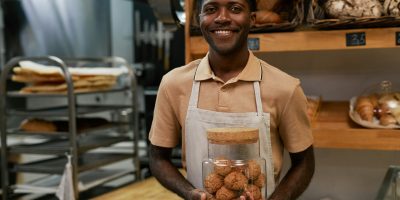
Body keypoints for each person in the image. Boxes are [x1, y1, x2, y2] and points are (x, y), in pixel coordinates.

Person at [148, 0, 315, 199]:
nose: (222, 18)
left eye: (235, 9)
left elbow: (304, 162)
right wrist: (189, 193)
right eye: (211, 9)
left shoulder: (285, 88)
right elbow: (158, 158)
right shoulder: (173, 84)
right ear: (200, 20)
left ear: (252, 19)